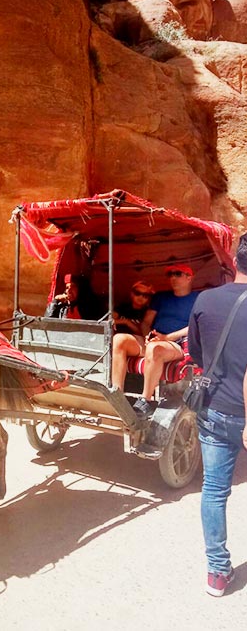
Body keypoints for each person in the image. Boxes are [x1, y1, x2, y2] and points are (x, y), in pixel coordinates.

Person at [188, 233, 247, 597]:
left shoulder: (205, 299)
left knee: (213, 490)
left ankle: (216, 572)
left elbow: (196, 353)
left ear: (235, 259)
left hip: (212, 408)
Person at [112, 263, 198, 417]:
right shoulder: (161, 297)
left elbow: (195, 326)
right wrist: (147, 336)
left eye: (177, 274)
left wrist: (167, 338)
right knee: (119, 339)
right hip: (155, 339)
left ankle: (146, 400)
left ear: (189, 277)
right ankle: (117, 395)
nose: (172, 277)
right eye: (170, 274)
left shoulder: (197, 298)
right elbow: (146, 322)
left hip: (176, 343)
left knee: (155, 349)